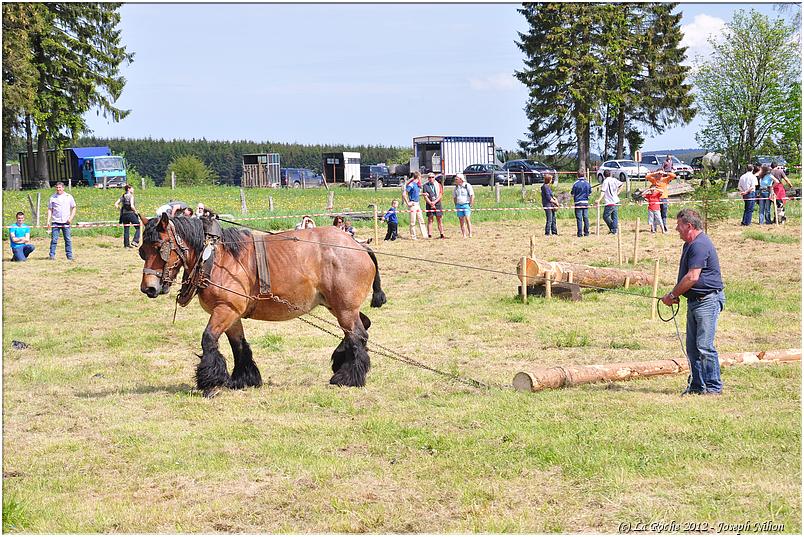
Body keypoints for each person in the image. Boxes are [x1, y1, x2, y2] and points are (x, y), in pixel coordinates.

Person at [661, 208, 725, 396]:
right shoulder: (689, 244)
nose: (676, 229)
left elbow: (692, 277)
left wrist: (672, 295)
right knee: (692, 347)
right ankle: (697, 385)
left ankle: (713, 387)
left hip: (707, 300)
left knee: (704, 346)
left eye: (679, 225)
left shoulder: (699, 245)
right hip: (695, 301)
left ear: (688, 226)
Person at [47, 182, 77, 261]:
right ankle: (52, 255)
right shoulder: (52, 197)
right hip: (55, 221)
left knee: (68, 239)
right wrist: (48, 220)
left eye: (60, 187)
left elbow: (74, 208)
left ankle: (69, 256)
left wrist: (70, 219)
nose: (58, 189)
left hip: (66, 222)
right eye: (57, 187)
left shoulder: (68, 197)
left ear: (63, 188)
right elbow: (50, 209)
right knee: (54, 239)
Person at [402, 171, 428, 240]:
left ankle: (425, 235)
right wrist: (408, 203)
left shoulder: (417, 185)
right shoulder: (411, 185)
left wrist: (423, 194)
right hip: (412, 204)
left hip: (417, 204)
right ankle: (413, 236)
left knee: (421, 220)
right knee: (412, 221)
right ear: (418, 177)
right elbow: (404, 194)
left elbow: (416, 194)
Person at [114, 184, 140, 248]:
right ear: (128, 189)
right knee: (138, 227)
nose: (133, 189)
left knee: (126, 229)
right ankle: (135, 240)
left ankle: (126, 245)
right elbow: (131, 206)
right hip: (131, 214)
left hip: (124, 215)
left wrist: (120, 209)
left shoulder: (123, 196)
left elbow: (116, 204)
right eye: (132, 188)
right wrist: (135, 211)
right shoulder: (131, 196)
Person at [423, 172, 445, 239]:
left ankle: (442, 234)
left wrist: (435, 202)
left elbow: (440, 194)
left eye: (432, 177)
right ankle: (429, 234)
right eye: (429, 177)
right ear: (428, 178)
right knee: (430, 219)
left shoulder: (438, 185)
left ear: (434, 178)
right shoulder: (425, 186)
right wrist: (431, 203)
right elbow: (425, 196)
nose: (431, 179)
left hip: (437, 203)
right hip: (429, 204)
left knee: (439, 219)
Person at [453, 173, 475, 238]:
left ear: (461, 179)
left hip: (466, 204)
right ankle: (464, 235)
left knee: (467, 219)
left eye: (457, 179)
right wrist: (456, 205)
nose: (455, 180)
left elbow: (472, 195)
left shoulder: (467, 186)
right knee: (461, 220)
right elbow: (454, 197)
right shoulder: (456, 187)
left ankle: (470, 233)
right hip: (459, 205)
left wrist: (471, 204)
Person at [570, 172, 592, 237]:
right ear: (584, 175)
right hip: (585, 202)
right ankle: (586, 232)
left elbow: (572, 193)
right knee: (586, 218)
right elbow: (590, 193)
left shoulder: (575, 184)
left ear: (577, 175)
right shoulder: (587, 183)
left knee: (579, 218)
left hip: (578, 202)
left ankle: (579, 233)